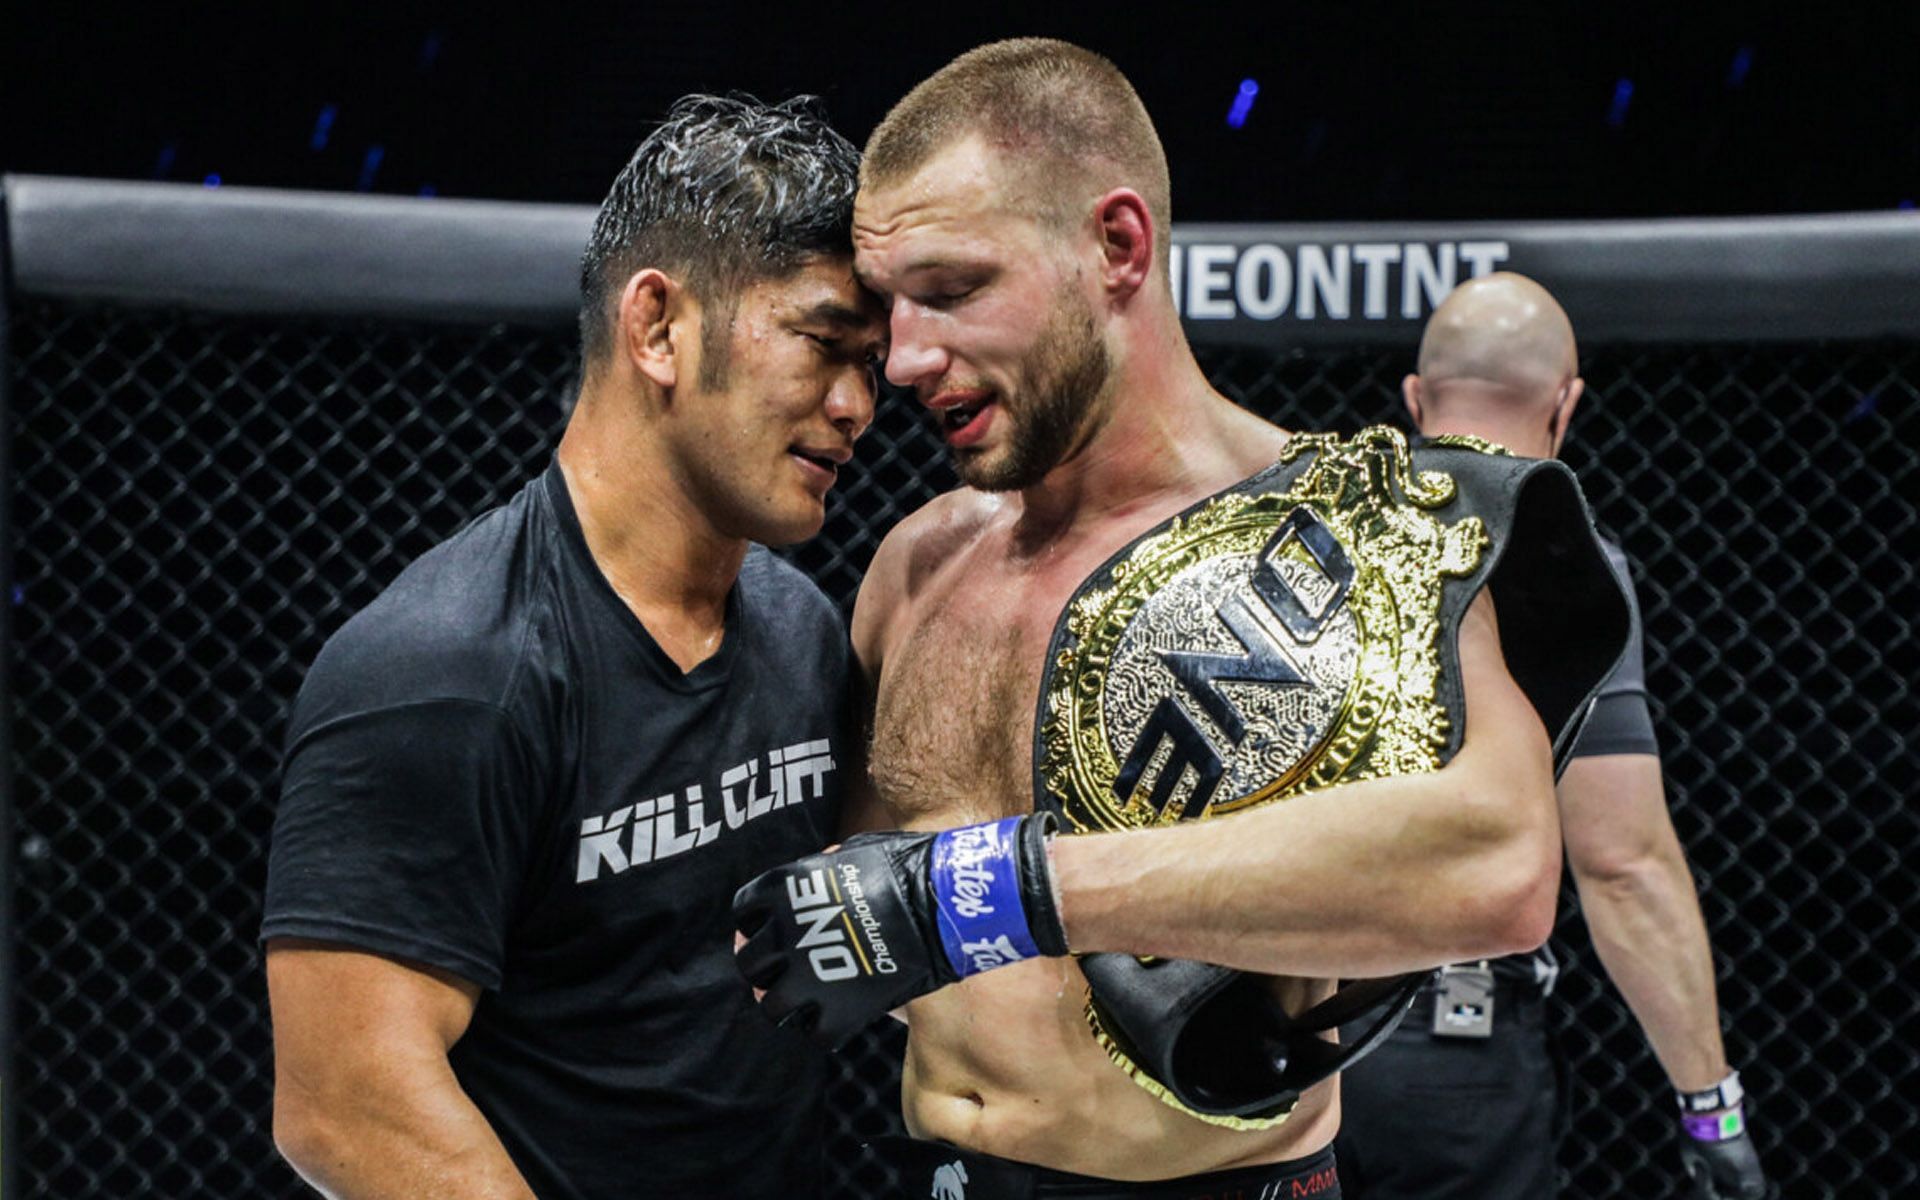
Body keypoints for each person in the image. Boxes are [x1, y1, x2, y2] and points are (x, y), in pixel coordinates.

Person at [734, 40, 1628, 1198]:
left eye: (953, 292)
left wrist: (995, 894)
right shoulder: (919, 560)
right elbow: (852, 908)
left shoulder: (1353, 535)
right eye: (892, 308)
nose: (903, 357)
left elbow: (1502, 870)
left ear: (1117, 246)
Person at [261, 94, 886, 1200]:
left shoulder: (800, 630)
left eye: (873, 365)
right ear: (658, 328)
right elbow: (347, 1105)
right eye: (825, 344)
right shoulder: (447, 671)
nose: (858, 405)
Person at [1331, 272, 1770, 1200]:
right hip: (1448, 1048)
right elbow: (1623, 864)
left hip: (1265, 1043)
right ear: (1564, 406)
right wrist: (1710, 1107)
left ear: (1415, 401)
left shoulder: (1303, 534)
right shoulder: (1557, 560)